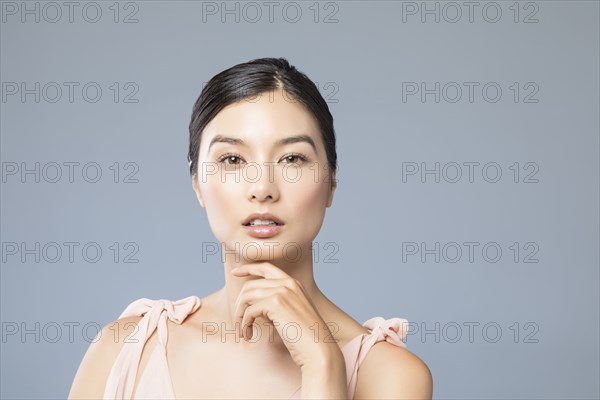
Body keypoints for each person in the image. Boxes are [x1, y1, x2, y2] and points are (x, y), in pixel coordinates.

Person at [68, 57, 433, 399]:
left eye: (292, 158)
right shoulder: (126, 347)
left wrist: (324, 365)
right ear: (197, 183)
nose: (262, 188)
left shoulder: (390, 376)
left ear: (331, 183)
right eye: (232, 159)